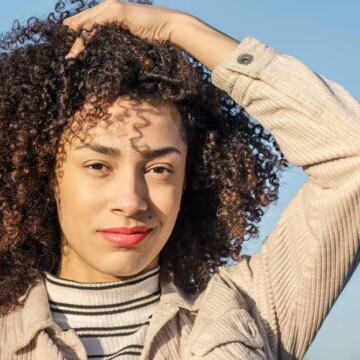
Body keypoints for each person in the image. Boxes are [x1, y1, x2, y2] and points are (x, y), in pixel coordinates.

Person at [0, 0, 359, 359]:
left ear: (189, 178)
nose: (131, 201)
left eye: (158, 169)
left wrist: (179, 28)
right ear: (45, 173)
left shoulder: (252, 312)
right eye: (98, 166)